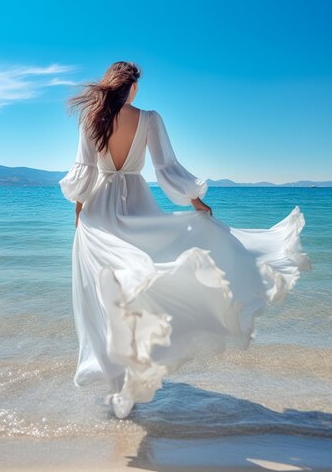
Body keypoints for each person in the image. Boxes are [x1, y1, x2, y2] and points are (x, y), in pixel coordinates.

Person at [59, 61, 311, 419]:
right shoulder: (149, 119)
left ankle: (121, 390)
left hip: (97, 215)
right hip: (136, 205)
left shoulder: (92, 119)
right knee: (149, 277)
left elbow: (83, 173)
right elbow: (166, 170)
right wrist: (195, 201)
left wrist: (78, 212)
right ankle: (139, 372)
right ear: (132, 86)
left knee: (104, 299)